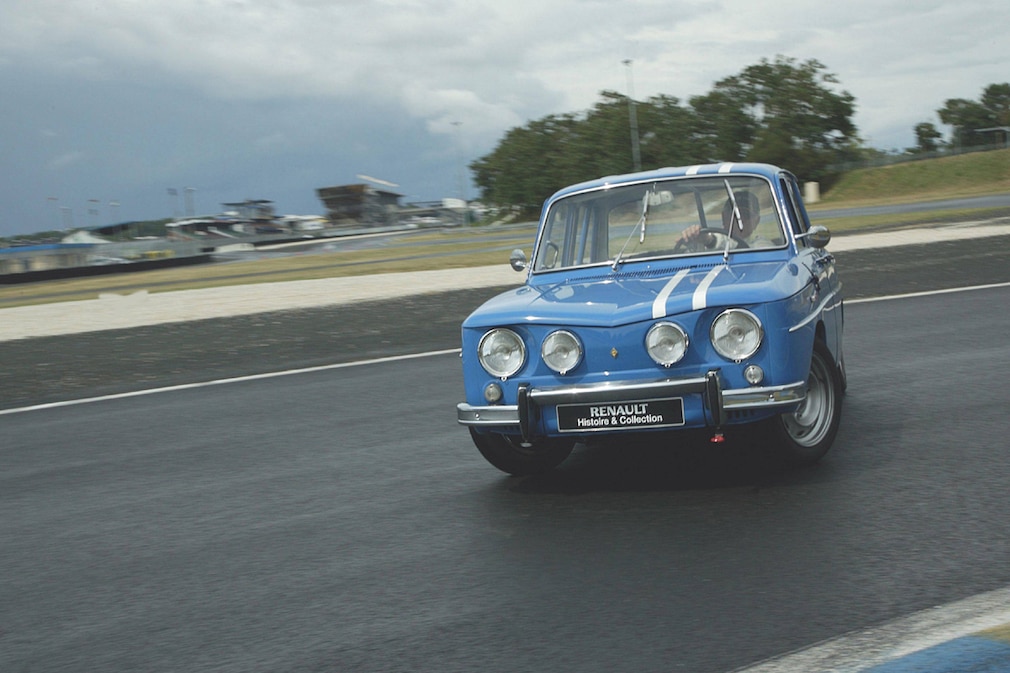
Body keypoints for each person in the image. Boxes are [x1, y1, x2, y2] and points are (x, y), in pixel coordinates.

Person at [679, 191, 773, 250]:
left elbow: (753, 252)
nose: (740, 219)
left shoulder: (761, 244)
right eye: (734, 215)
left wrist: (709, 241)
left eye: (746, 215)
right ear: (724, 217)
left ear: (756, 221)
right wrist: (691, 236)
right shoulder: (702, 242)